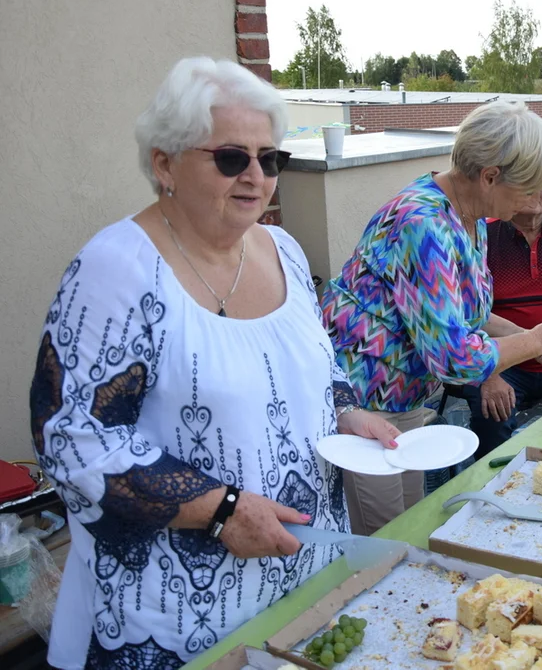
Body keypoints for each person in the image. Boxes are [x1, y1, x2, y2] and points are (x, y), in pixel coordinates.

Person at [28, 58, 402, 669]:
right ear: (164, 163)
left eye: (269, 158)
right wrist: (221, 509)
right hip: (178, 622)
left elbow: (314, 364)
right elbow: (70, 441)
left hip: (305, 585)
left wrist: (345, 412)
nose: (256, 176)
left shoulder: (281, 248)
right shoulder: (115, 272)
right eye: (232, 157)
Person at [321, 101, 542, 535]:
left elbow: (462, 315)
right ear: (490, 176)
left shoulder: (468, 214)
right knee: (382, 543)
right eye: (526, 189)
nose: (528, 203)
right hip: (366, 402)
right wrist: (536, 341)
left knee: (406, 527)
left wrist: (527, 335)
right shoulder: (423, 223)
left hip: (403, 401)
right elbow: (455, 359)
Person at [459, 184, 542, 459]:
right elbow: (466, 315)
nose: (533, 191)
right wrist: (490, 375)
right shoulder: (482, 236)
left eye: (541, 183)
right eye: (524, 183)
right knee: (491, 420)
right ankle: (491, 490)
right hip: (504, 363)